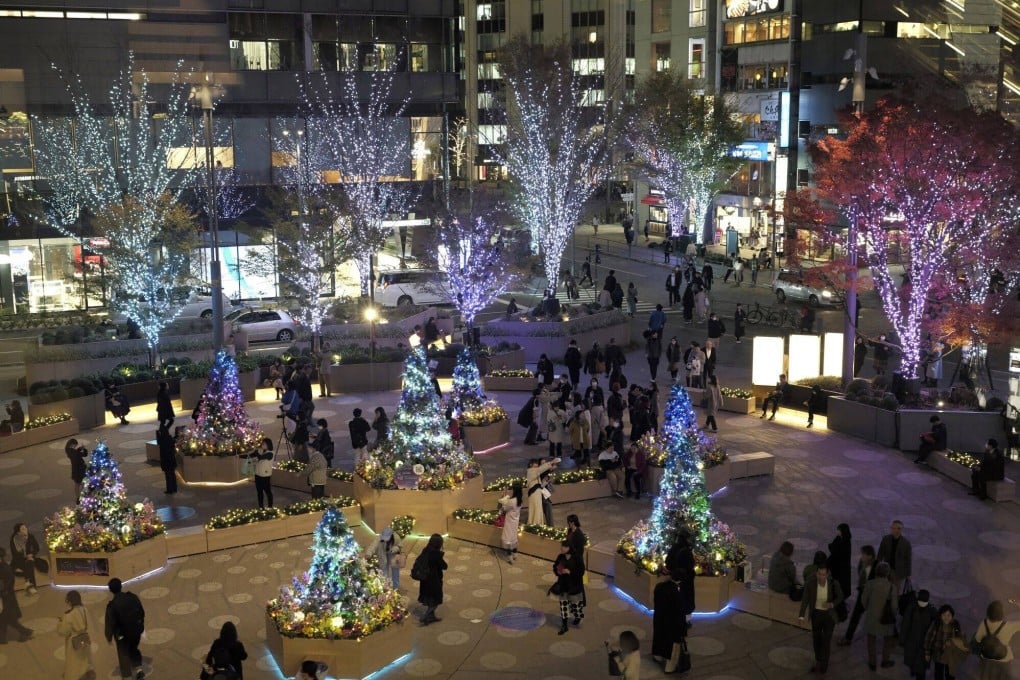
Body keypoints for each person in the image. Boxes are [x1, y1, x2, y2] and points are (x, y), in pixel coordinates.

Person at [798, 563, 844, 676]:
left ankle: (824, 664)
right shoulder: (811, 583)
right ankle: (818, 660)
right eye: (819, 574)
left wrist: (832, 604)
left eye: (823, 574)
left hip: (829, 616)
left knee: (826, 641)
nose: (821, 577)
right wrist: (801, 615)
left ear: (827, 574)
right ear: (816, 573)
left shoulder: (833, 583)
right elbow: (805, 599)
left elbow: (840, 596)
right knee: (816, 640)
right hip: (816, 615)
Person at [105, 577, 146, 680]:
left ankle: (127, 676)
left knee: (123, 654)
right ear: (121, 586)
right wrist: (140, 625)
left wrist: (109, 636)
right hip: (136, 631)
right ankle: (139, 669)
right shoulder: (132, 597)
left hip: (122, 635)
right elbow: (141, 612)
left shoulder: (112, 606)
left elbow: (110, 622)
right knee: (133, 648)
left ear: (110, 590)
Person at [861, 562, 897, 671]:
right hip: (886, 619)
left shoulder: (870, 584)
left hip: (872, 618)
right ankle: (885, 661)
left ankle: (872, 663)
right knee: (888, 640)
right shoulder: (892, 587)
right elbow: (894, 606)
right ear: (887, 573)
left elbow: (863, 601)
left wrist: (869, 609)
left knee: (871, 640)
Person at [838, 544, 877, 646]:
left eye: (864, 554)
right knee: (856, 615)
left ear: (870, 556)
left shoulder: (876, 566)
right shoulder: (862, 562)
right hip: (862, 592)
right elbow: (860, 573)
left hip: (872, 595)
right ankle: (848, 637)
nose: (861, 556)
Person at [972, 600, 1020, 680]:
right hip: (1004, 659)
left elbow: (978, 639)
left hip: (987, 659)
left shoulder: (984, 623)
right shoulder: (1009, 626)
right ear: (1002, 613)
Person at [57, 589, 94, 680]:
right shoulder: (84, 610)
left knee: (74, 662)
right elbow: (89, 624)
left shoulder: (68, 615)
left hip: (73, 642)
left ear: (69, 602)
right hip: (85, 637)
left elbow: (63, 631)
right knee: (85, 658)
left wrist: (60, 622)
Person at [901, 589, 937, 680]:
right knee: (915, 661)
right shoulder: (915, 608)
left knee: (920, 667)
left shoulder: (929, 610)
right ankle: (914, 670)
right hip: (916, 642)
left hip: (920, 643)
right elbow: (905, 624)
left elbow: (905, 625)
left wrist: (902, 639)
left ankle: (915, 672)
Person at [924, 604, 967, 680]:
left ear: (952, 616)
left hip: (951, 655)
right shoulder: (936, 623)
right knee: (938, 674)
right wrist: (927, 652)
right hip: (938, 654)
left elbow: (959, 637)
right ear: (940, 615)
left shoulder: (955, 624)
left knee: (950, 674)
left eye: (948, 615)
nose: (946, 617)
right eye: (944, 615)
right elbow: (929, 637)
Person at [0, 547, 33, 643]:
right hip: (6, 597)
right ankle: (2, 638)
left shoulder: (5, 569)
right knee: (4, 619)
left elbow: (6, 585)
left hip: (6, 598)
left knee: (8, 618)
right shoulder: (3, 567)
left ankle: (25, 632)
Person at [552, 540, 585, 634]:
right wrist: (558, 571)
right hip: (563, 585)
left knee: (576, 605)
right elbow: (555, 566)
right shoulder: (560, 556)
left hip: (574, 585)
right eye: (562, 546)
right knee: (564, 606)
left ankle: (577, 617)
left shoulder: (577, 558)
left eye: (564, 547)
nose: (562, 548)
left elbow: (581, 571)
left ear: (569, 548)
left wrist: (570, 572)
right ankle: (564, 625)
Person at [665, 532, 697, 628]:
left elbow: (668, 562)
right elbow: (691, 565)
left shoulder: (674, 548)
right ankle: (685, 622)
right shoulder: (687, 551)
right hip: (686, 580)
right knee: (686, 600)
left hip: (675, 578)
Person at [415, 533, 448, 625]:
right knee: (436, 600)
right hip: (434, 580)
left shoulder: (425, 550)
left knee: (430, 598)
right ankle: (426, 616)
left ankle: (431, 617)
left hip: (425, 579)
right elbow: (444, 566)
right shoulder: (436, 554)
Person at [877, 519, 912, 589]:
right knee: (884, 589)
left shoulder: (906, 543)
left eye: (898, 528)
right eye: (893, 528)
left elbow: (908, 559)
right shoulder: (886, 539)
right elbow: (880, 553)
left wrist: (908, 574)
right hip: (886, 570)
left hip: (898, 572)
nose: (896, 530)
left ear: (901, 530)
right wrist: (877, 566)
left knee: (895, 590)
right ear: (891, 529)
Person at [8, 522, 40, 594]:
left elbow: (37, 548)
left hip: (29, 556)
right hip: (18, 559)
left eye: (25, 528)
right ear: (18, 532)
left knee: (30, 563)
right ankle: (31, 586)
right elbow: (15, 553)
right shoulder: (14, 539)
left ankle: (28, 583)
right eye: (23, 529)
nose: (26, 529)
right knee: (28, 566)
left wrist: (31, 554)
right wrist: (25, 557)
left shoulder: (30, 536)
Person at [526, 457, 559, 524]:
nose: (536, 465)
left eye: (537, 463)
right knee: (537, 509)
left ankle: (538, 523)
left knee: (538, 509)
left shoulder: (536, 471)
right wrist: (551, 462)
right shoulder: (531, 471)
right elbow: (541, 469)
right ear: (531, 464)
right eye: (535, 463)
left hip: (538, 493)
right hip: (534, 493)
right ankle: (536, 524)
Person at [827, 524, 853, 606]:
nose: (837, 531)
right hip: (835, 565)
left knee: (840, 583)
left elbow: (840, 554)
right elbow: (833, 547)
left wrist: (832, 548)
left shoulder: (846, 542)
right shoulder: (838, 538)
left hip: (841, 567)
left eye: (838, 530)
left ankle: (839, 598)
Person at [498, 483, 523, 564]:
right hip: (515, 522)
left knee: (508, 539)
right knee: (513, 538)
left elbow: (505, 508)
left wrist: (503, 499)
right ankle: (515, 554)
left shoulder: (512, 501)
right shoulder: (520, 500)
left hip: (509, 522)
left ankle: (510, 557)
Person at [253, 438, 275, 509]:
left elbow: (261, 457)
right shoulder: (262, 452)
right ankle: (261, 507)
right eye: (262, 444)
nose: (262, 445)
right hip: (258, 475)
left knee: (267, 491)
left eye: (264, 444)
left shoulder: (270, 453)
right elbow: (253, 455)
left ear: (268, 445)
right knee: (259, 492)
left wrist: (256, 452)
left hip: (265, 476)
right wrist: (240, 456)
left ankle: (270, 507)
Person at [66, 438, 89, 503]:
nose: (75, 447)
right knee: (82, 483)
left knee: (77, 484)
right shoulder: (73, 452)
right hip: (79, 469)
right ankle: (82, 496)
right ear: (72, 444)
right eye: (75, 445)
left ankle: (78, 497)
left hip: (75, 470)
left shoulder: (69, 450)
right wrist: (83, 449)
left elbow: (78, 453)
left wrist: (80, 449)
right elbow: (84, 454)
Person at [156, 425, 177, 494]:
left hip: (166, 460)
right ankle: (174, 488)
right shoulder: (170, 438)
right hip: (172, 458)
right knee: (172, 473)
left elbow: (158, 442)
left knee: (168, 475)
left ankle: (169, 489)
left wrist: (157, 434)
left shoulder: (161, 440)